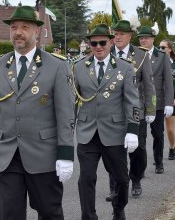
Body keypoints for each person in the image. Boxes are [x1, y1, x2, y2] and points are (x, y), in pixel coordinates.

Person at [0, 5, 75, 220]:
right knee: (8, 214)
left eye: (24, 27)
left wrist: (65, 154)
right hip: (7, 155)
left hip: (44, 155)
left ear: (37, 32)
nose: (18, 32)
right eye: (13, 27)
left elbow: (66, 113)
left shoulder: (56, 66)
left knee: (49, 212)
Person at [73, 23, 140, 220]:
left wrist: (133, 129)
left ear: (111, 42)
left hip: (115, 131)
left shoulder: (125, 68)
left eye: (103, 42)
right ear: (89, 45)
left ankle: (119, 208)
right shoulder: (78, 67)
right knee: (86, 178)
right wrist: (65, 130)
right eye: (94, 43)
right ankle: (89, 216)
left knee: (121, 179)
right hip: (87, 132)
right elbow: (71, 99)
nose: (98, 47)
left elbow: (132, 100)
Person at [106, 20, 156, 199]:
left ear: (129, 36)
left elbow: (149, 84)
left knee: (139, 150)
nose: (117, 37)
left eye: (121, 34)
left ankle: (135, 179)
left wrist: (150, 110)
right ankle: (115, 186)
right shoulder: (106, 53)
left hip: (136, 111)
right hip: (112, 112)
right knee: (113, 151)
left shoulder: (141, 56)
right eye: (115, 34)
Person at [138, 26, 174, 174]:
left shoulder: (162, 56)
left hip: (157, 103)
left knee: (158, 135)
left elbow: (168, 81)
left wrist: (169, 102)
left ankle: (158, 162)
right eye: (141, 38)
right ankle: (141, 167)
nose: (143, 40)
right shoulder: (136, 56)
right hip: (139, 102)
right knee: (140, 138)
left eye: (146, 38)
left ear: (153, 39)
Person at [159, 39, 175, 160]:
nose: (161, 50)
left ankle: (172, 147)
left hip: (172, 97)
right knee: (157, 130)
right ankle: (157, 154)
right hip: (159, 97)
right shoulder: (155, 61)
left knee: (169, 128)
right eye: (159, 47)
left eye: (163, 47)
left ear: (169, 49)